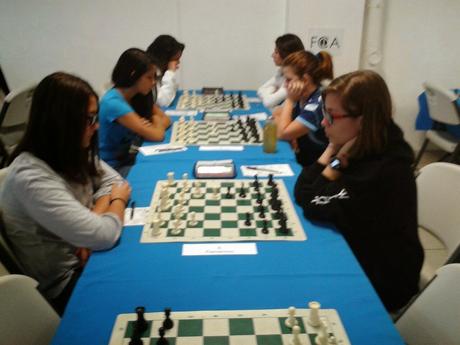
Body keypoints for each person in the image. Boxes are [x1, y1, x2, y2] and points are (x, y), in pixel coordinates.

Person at [0, 72, 131, 314]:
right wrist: (117, 200)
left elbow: (114, 181)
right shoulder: (31, 178)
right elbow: (105, 233)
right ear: (62, 122)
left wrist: (92, 219)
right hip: (67, 283)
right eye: (90, 119)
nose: (97, 126)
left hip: (88, 257)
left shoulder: (69, 148)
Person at [294, 70, 424, 312]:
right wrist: (332, 151)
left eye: (331, 116)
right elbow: (304, 188)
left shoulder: (382, 170)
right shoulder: (359, 147)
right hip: (358, 252)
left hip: (382, 282)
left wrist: (334, 158)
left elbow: (311, 201)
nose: (323, 123)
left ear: (363, 121)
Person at [99, 48, 170, 176]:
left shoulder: (137, 96)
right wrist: (154, 122)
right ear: (133, 75)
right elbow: (157, 135)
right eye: (149, 77)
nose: (153, 83)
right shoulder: (113, 103)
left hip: (127, 157)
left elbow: (166, 119)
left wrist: (153, 121)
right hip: (110, 168)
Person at [273, 50, 333, 167]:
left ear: (305, 80)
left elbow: (282, 133)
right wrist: (291, 134)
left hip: (317, 166)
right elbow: (277, 113)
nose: (285, 84)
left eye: (289, 79)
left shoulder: (317, 104)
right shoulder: (302, 96)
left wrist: (290, 100)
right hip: (304, 157)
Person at [257, 33, 304, 109]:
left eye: (276, 52)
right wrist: (272, 89)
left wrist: (272, 91)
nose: (272, 55)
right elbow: (260, 90)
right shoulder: (281, 71)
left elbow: (268, 102)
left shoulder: (294, 78)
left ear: (286, 54)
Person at [146, 35, 185, 107]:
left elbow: (173, 92)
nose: (178, 62)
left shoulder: (160, 72)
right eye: (175, 59)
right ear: (164, 58)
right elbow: (163, 103)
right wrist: (170, 72)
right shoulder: (148, 73)